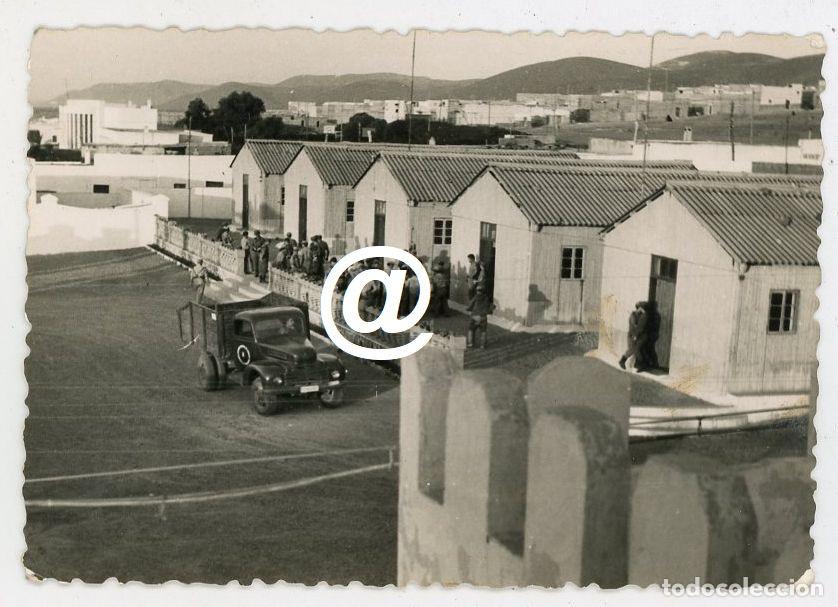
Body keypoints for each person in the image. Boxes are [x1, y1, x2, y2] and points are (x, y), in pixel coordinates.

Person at [619, 302, 649, 371]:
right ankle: (623, 361)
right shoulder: (635, 315)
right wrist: (635, 336)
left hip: (635, 336)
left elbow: (638, 326)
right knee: (633, 349)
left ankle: (639, 364)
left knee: (636, 350)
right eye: (642, 308)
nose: (643, 309)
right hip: (633, 335)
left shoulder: (638, 315)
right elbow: (637, 326)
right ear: (640, 308)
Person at [466, 283, 492, 349]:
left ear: (477, 291)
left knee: (471, 329)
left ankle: (470, 343)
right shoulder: (486, 298)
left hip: (474, 316)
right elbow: (489, 308)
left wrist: (468, 309)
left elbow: (470, 305)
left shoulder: (475, 297)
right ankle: (482, 345)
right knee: (483, 331)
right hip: (483, 317)